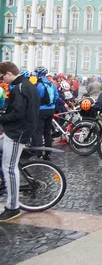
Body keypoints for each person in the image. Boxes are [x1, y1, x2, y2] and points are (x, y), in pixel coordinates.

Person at [0, 61, 41, 221]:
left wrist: (1, 117)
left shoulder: (20, 87)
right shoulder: (24, 85)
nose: (2, 81)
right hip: (16, 131)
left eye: (2, 77)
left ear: (9, 73)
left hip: (18, 132)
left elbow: (17, 113)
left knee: (9, 167)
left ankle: (13, 207)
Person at [33, 66, 59, 160]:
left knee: (38, 131)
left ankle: (38, 153)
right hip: (51, 109)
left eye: (36, 73)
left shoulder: (39, 84)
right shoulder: (52, 84)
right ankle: (48, 154)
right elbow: (56, 96)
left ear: (39, 74)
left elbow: (37, 98)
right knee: (47, 132)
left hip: (41, 109)